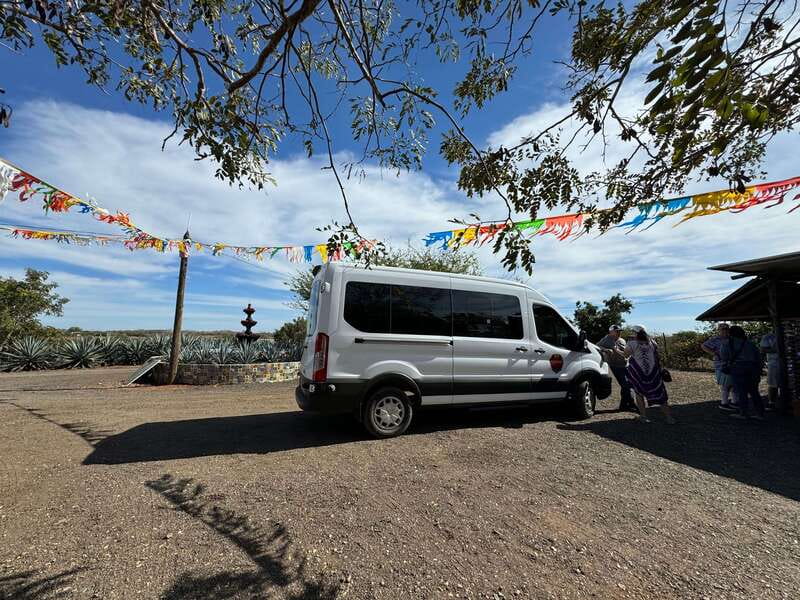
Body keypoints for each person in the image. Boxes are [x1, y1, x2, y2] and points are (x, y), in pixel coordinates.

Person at [625, 325, 675, 424]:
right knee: (660, 394)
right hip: (653, 373)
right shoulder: (652, 342)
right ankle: (669, 418)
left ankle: (643, 416)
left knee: (639, 394)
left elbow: (626, 354)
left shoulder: (631, 343)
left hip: (638, 373)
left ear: (635, 333)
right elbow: (657, 356)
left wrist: (615, 350)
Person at [720, 326, 765, 420]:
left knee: (741, 392)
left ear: (730, 333)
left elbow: (724, 357)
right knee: (754, 392)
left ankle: (743, 413)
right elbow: (759, 358)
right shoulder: (750, 343)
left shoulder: (727, 343)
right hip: (753, 369)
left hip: (737, 369)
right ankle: (760, 414)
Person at [596, 325, 635, 411]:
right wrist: (606, 350)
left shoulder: (622, 340)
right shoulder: (606, 339)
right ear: (611, 332)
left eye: (619, 331)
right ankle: (630, 404)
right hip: (616, 366)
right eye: (617, 331)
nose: (619, 332)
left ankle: (625, 405)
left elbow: (626, 352)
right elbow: (597, 346)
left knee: (629, 384)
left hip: (626, 365)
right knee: (625, 384)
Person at [701, 323, 737, 411]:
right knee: (725, 384)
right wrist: (714, 353)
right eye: (723, 329)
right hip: (721, 365)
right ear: (719, 330)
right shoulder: (715, 339)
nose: (725, 330)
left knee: (734, 383)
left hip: (733, 364)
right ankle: (724, 403)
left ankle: (734, 402)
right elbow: (703, 346)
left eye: (726, 328)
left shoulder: (732, 339)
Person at [760, 330, 780, 411]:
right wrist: (777, 350)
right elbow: (763, 349)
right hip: (774, 363)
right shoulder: (768, 336)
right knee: (773, 384)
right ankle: (771, 403)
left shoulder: (789, 334)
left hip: (789, 362)